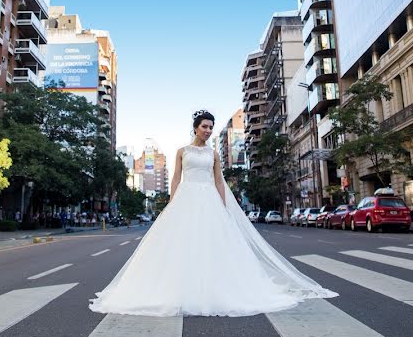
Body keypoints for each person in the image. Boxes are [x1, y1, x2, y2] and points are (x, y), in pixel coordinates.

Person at [89, 110, 337, 317]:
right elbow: (176, 177)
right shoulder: (182, 151)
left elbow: (219, 182)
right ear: (195, 128)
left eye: (211, 127)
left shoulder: (214, 154)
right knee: (179, 244)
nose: (208, 130)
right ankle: (179, 288)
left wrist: (223, 206)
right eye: (204, 126)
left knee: (212, 244)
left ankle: (214, 288)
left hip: (208, 198)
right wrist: (171, 202)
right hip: (186, 198)